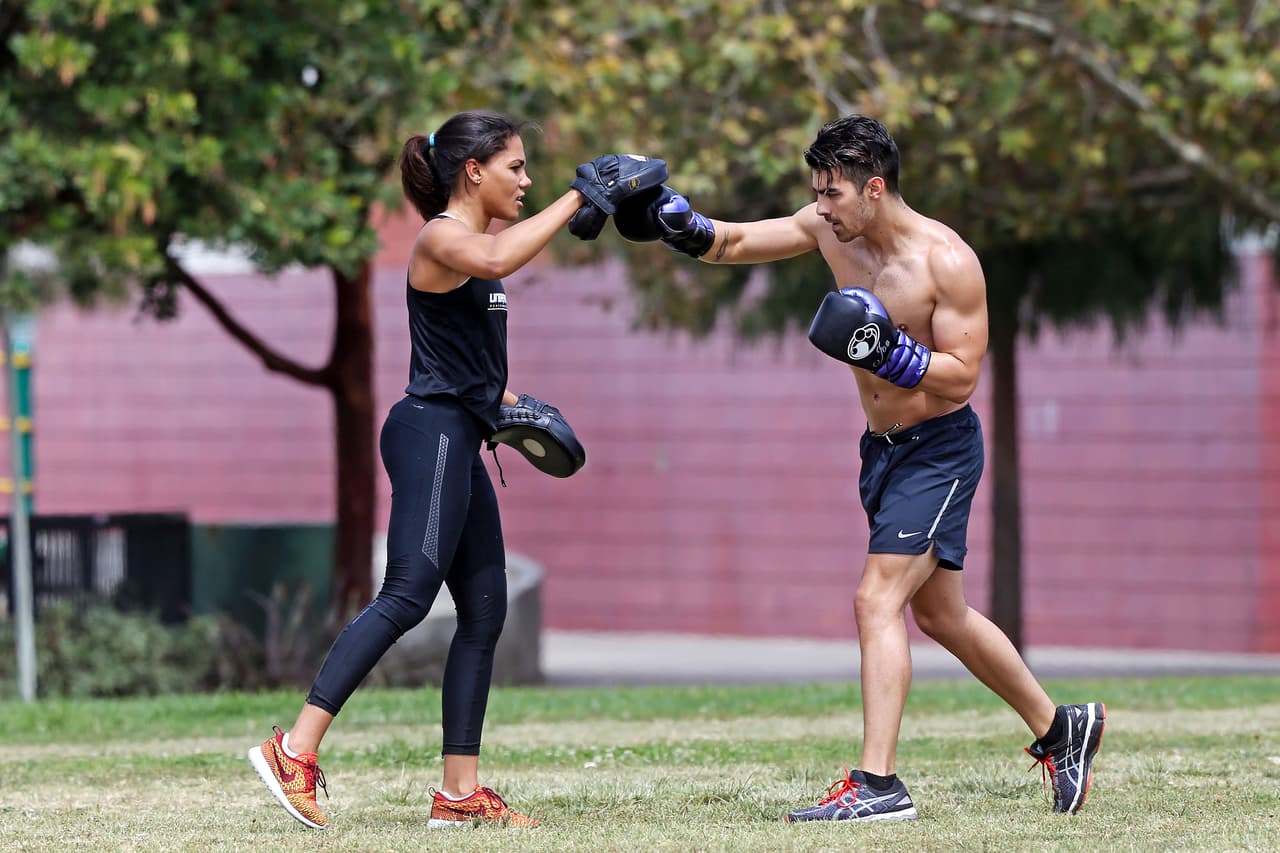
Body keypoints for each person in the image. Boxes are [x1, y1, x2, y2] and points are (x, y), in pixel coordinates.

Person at [612, 114, 1105, 821]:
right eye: (815, 193)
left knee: (877, 600)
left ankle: (878, 784)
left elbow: (963, 377)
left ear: (874, 189)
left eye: (832, 194)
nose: (820, 207)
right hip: (883, 450)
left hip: (940, 451)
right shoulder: (827, 229)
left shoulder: (947, 262)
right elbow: (738, 241)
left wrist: (890, 354)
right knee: (942, 613)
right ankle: (1062, 729)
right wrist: (676, 219)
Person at [247, 110, 657, 830]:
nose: (526, 181)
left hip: (459, 433)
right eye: (516, 167)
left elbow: (465, 358)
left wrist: (513, 401)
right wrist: (581, 196)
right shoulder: (443, 238)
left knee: (486, 610)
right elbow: (496, 264)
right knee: (407, 595)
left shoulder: (480, 246)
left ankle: (459, 793)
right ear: (474, 170)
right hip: (428, 432)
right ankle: (294, 749)